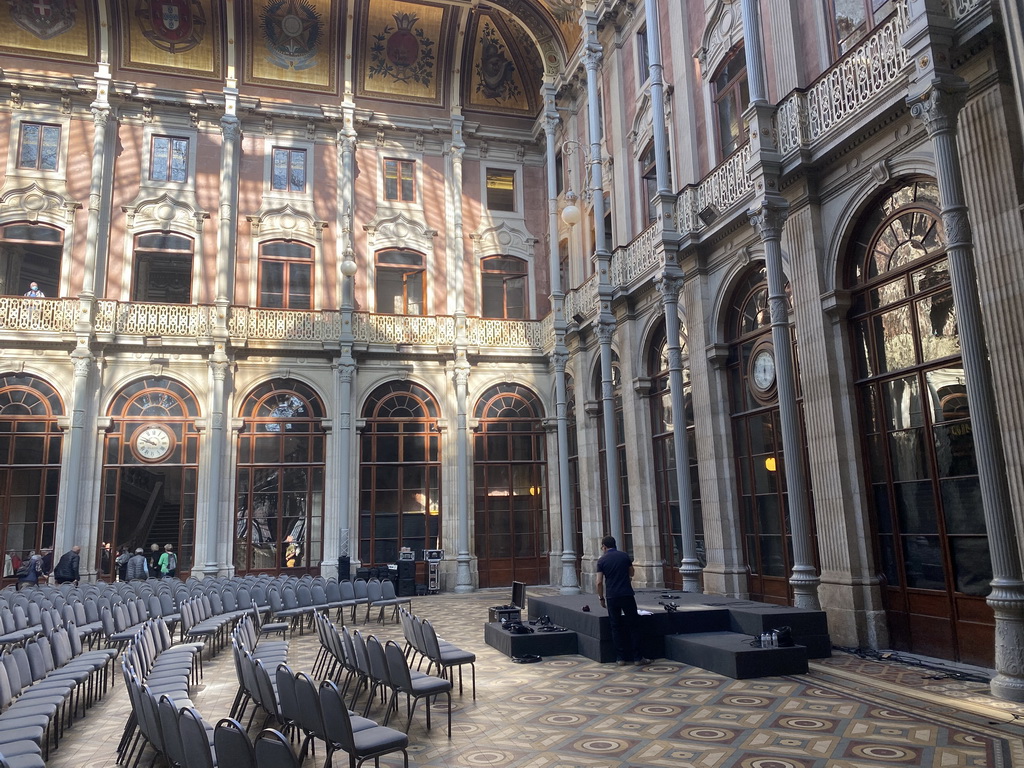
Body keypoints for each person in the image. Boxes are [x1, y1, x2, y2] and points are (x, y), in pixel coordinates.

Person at [595, 535, 650, 667]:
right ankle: (637, 657)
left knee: (615, 626)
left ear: (604, 546)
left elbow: (598, 582)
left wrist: (601, 598)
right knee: (634, 625)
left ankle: (620, 658)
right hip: (626, 594)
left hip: (612, 596)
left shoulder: (602, 561)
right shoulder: (624, 556)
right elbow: (631, 573)